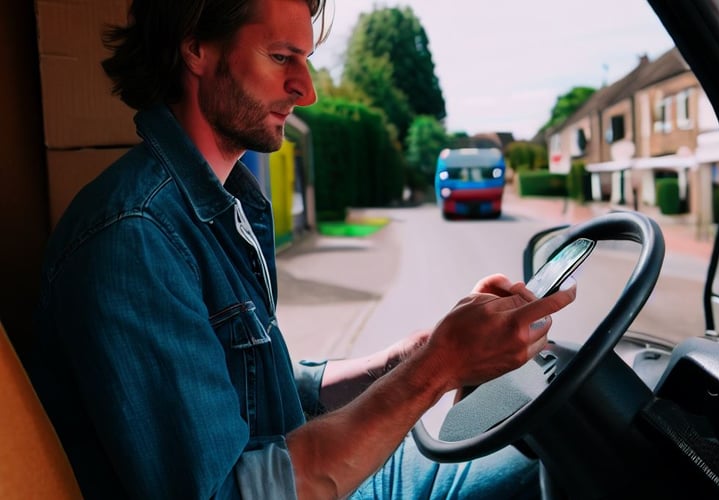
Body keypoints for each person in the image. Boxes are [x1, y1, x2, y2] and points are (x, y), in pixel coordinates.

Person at [28, 0, 577, 498]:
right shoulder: (135, 240)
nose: (307, 90)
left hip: (303, 470)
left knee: (549, 444)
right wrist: (438, 369)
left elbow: (257, 387)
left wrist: (411, 355)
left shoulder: (220, 205)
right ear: (195, 47)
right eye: (281, 56)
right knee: (558, 463)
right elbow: (226, 492)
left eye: (306, 60)